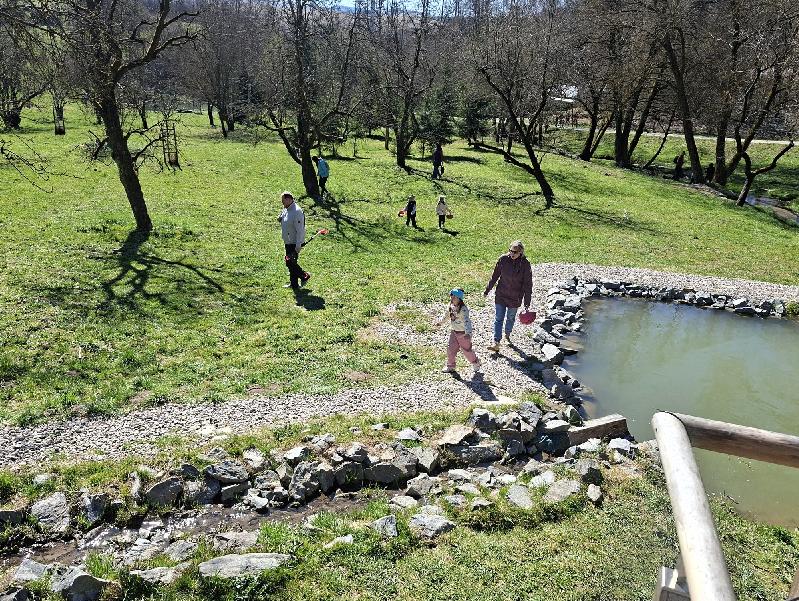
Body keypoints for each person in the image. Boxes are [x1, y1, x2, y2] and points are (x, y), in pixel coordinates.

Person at [484, 240, 533, 351]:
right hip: (501, 295)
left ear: (521, 252)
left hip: (515, 298)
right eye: (510, 251)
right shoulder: (503, 259)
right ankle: (496, 342)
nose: (511, 254)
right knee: (498, 319)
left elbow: (528, 284)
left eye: (514, 252)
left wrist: (527, 303)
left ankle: (507, 333)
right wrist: (487, 290)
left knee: (510, 318)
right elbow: (495, 276)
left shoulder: (525, 264)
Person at [436, 288, 481, 374]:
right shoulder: (451, 306)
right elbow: (447, 315)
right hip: (454, 331)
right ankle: (450, 366)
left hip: (463, 333)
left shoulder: (463, 309)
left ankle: (476, 362)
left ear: (459, 299)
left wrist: (468, 333)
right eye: (451, 295)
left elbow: (467, 321)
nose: (452, 298)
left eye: (455, 297)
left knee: (466, 350)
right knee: (451, 348)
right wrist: (440, 322)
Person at [277, 190, 310, 289]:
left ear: (288, 199)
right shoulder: (287, 208)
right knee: (292, 263)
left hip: (294, 242)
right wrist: (280, 218)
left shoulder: (297, 211)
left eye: (283, 201)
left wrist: (298, 244)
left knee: (289, 262)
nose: (282, 203)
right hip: (288, 241)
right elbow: (284, 216)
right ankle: (294, 284)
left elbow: (300, 230)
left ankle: (305, 276)